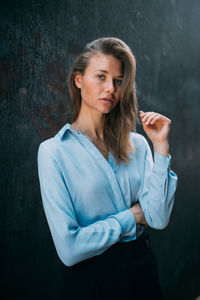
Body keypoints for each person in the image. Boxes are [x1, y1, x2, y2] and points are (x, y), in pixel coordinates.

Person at [37, 37, 178, 300]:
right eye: (101, 76)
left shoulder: (137, 144)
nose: (110, 88)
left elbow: (158, 218)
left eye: (118, 80)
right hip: (91, 282)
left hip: (142, 270)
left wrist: (160, 146)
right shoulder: (53, 152)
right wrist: (132, 216)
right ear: (79, 80)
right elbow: (70, 249)